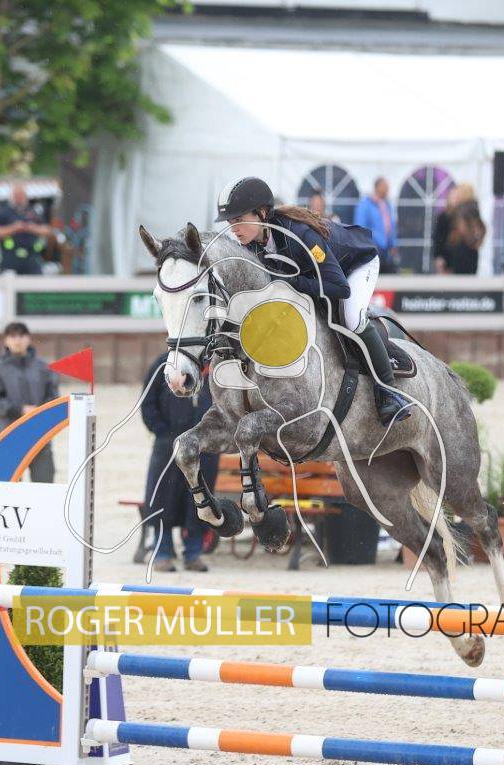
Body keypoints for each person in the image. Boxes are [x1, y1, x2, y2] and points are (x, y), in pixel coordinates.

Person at [215, 175, 413, 426]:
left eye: (239, 219)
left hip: (355, 266)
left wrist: (291, 282)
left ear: (262, 213)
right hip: (317, 275)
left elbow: (339, 288)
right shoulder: (252, 246)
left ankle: (389, 392)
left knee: (351, 318)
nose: (234, 228)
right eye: (230, 221)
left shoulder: (301, 235)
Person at [140, 352, 217, 573]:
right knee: (163, 499)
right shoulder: (163, 364)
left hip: (205, 446)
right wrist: (162, 431)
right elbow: (148, 402)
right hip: (168, 445)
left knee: (200, 501)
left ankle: (193, 554)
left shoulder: (216, 367)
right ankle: (162, 553)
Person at [0, 322, 60, 482]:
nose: (17, 340)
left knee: (45, 485)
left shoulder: (44, 367)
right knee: (10, 489)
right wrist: (20, 410)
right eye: (13, 336)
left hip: (40, 434)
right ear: (6, 340)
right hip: (9, 435)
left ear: (29, 339)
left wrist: (39, 411)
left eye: (21, 336)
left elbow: (54, 397)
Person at [0, 185, 51, 275]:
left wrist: (31, 228)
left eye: (21, 195)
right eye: (16, 195)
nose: (19, 198)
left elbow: (47, 230)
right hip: (10, 258)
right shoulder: (3, 212)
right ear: (12, 197)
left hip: (32, 257)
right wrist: (13, 228)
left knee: (36, 281)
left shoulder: (34, 212)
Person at [433, 183, 485, 275]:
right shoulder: (446, 216)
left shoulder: (465, 213)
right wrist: (439, 256)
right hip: (453, 258)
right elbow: (439, 238)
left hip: (462, 256)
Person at [353, 177, 398, 272]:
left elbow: (392, 226)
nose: (387, 190)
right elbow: (360, 227)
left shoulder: (388, 205)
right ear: (377, 187)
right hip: (372, 248)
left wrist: (393, 244)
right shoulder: (365, 204)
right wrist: (371, 243)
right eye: (385, 187)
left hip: (386, 250)